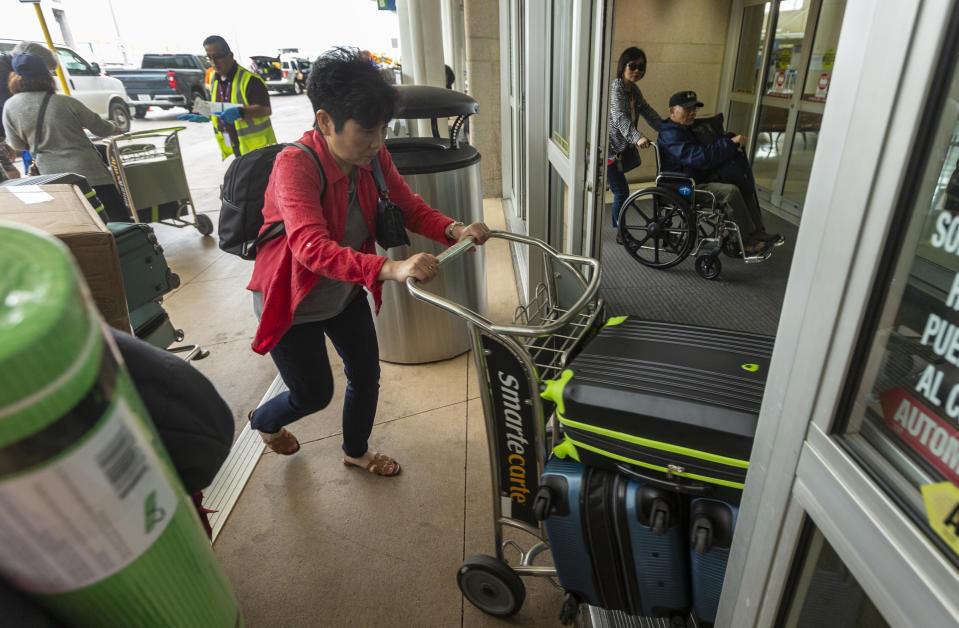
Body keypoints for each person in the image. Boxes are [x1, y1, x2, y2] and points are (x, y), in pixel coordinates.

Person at [246, 47, 491, 476]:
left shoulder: (373, 156)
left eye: (383, 129)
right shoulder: (295, 165)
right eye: (367, 130)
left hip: (343, 293)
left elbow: (407, 206)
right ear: (325, 121)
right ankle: (265, 421)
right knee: (313, 394)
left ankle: (355, 451)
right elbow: (308, 245)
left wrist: (455, 230)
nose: (378, 142)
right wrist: (390, 268)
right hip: (291, 301)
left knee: (366, 375)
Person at [2, 52, 128, 220]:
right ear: (47, 75)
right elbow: (100, 128)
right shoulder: (64, 102)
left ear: (15, 77)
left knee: (81, 225)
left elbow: (18, 145)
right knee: (116, 221)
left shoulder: (10, 106)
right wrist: (115, 127)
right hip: (90, 174)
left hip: (53, 179)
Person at [657, 90, 782, 255]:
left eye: (694, 109)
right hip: (681, 186)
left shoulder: (686, 129)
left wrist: (728, 142)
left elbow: (705, 153)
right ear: (672, 111)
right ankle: (742, 241)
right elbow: (698, 158)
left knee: (741, 181)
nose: (693, 112)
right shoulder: (670, 134)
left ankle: (756, 231)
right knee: (730, 192)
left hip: (697, 178)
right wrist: (728, 145)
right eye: (687, 109)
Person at [179, 35, 276, 160]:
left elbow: (265, 110)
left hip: (259, 149)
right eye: (209, 57)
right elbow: (220, 107)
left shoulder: (250, 80)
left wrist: (241, 112)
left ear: (230, 55)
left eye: (218, 56)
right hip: (237, 144)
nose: (214, 62)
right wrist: (206, 115)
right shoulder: (215, 79)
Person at [608, 47, 662, 237]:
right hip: (608, 152)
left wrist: (666, 129)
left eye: (641, 67)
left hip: (618, 150)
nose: (637, 70)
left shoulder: (632, 89)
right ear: (623, 66)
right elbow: (620, 118)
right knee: (621, 191)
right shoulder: (617, 88)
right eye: (633, 66)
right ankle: (620, 231)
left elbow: (647, 111)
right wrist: (637, 137)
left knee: (617, 188)